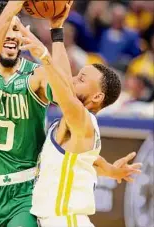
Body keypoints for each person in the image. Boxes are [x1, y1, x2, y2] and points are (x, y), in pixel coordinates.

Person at [0, 1, 141, 226]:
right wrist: (12, 8)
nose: (11, 34)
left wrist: (56, 32)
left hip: (26, 192)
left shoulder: (37, 75)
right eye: (4, 28)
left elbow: (67, 93)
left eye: (16, 28)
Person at [16, 15, 142, 227]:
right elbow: (92, 162)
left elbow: (62, 88)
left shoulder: (82, 121)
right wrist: (57, 31)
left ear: (97, 97)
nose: (73, 79)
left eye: (82, 79)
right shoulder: (74, 125)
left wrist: (44, 55)